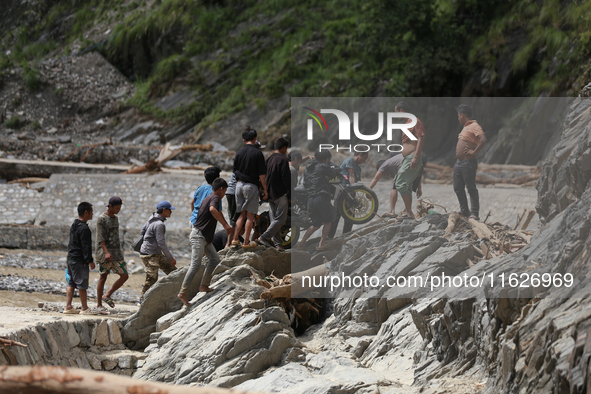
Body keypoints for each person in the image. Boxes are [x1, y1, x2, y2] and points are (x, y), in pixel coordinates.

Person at [178, 178, 233, 306]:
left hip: (205, 238)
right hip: (199, 236)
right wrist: (225, 225)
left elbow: (218, 211)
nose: (224, 194)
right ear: (221, 189)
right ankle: (183, 292)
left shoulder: (208, 198)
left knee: (214, 259)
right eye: (225, 191)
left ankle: (204, 285)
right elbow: (213, 210)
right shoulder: (215, 198)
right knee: (195, 265)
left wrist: (226, 224)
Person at [231, 126, 268, 248]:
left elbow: (234, 171)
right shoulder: (258, 153)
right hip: (251, 186)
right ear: (255, 138)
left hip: (239, 185)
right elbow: (262, 175)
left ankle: (235, 239)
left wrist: (238, 183)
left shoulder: (239, 153)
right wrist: (265, 190)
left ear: (243, 139)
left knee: (241, 214)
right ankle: (246, 242)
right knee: (250, 216)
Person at [297, 150, 340, 250]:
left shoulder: (308, 167)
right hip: (321, 197)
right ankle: (321, 244)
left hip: (310, 199)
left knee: (315, 224)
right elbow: (333, 175)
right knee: (328, 221)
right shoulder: (323, 166)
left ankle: (301, 244)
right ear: (325, 159)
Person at [138, 201, 178, 302]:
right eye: (170, 210)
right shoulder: (159, 224)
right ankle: (143, 300)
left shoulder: (151, 219)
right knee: (152, 278)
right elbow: (161, 243)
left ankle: (175, 295)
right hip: (150, 254)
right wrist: (170, 258)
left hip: (154, 253)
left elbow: (142, 231)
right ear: (164, 210)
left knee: (174, 272)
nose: (171, 212)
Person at [64, 202, 99, 315]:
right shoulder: (84, 228)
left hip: (70, 258)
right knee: (81, 284)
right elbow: (85, 247)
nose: (92, 214)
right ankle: (84, 308)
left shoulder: (74, 225)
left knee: (72, 283)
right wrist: (90, 260)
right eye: (91, 212)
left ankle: (68, 306)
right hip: (79, 260)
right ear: (86, 212)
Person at [95, 196, 129, 314]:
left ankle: (107, 295)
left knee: (124, 275)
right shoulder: (101, 219)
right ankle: (99, 305)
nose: (118, 210)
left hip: (116, 253)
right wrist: (106, 252)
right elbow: (100, 238)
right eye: (117, 208)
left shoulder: (115, 218)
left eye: (120, 208)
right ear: (110, 207)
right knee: (103, 277)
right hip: (105, 253)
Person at [454, 104, 487, 220]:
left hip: (468, 162)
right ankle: (464, 211)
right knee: (457, 187)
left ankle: (474, 213)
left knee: (471, 188)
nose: (458, 118)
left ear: (462, 115)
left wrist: (474, 151)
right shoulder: (465, 127)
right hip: (459, 163)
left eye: (459, 116)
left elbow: (483, 139)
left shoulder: (474, 125)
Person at [257, 137, 290, 250]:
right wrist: (290, 194)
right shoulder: (283, 160)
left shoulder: (269, 159)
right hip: (280, 193)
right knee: (280, 220)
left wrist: (263, 191)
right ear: (284, 148)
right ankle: (264, 238)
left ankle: (278, 245)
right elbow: (286, 179)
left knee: (274, 219)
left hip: (269, 193)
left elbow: (263, 176)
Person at [394, 101, 425, 220]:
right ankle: (408, 212)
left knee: (400, 183)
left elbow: (420, 138)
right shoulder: (407, 123)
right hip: (408, 157)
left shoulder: (415, 121)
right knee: (406, 185)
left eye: (396, 113)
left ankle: (409, 213)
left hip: (412, 157)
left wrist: (416, 157)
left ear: (401, 110)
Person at [329, 151, 369, 237]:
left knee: (350, 216)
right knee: (336, 215)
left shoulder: (358, 168)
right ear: (360, 154)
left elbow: (356, 181)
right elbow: (351, 175)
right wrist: (352, 190)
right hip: (342, 192)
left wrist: (357, 195)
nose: (365, 161)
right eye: (365, 158)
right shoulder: (350, 160)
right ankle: (329, 237)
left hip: (351, 193)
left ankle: (345, 237)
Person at [368, 153, 405, 218]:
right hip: (412, 162)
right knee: (406, 188)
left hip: (405, 163)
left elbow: (375, 179)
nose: (384, 175)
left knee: (394, 188)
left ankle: (391, 211)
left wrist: (368, 191)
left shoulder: (384, 165)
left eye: (383, 174)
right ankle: (407, 210)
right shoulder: (392, 166)